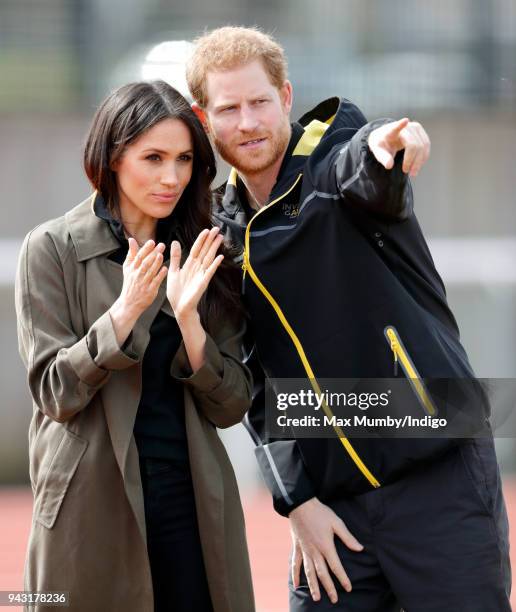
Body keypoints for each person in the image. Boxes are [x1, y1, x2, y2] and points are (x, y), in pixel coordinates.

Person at [186, 26, 511, 611]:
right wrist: (297, 503)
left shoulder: (332, 161)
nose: (248, 121)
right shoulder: (221, 235)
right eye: (228, 108)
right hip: (332, 510)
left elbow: (365, 168)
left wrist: (388, 147)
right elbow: (254, 382)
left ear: (286, 98)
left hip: (438, 473)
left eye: (260, 101)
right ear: (204, 119)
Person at [15, 80, 255, 612]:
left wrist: (190, 322)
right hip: (89, 506)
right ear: (113, 157)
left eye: (184, 159)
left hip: (192, 503)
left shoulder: (210, 250)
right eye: (153, 157)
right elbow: (55, 393)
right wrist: (122, 314)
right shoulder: (52, 248)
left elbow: (234, 403)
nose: (171, 178)